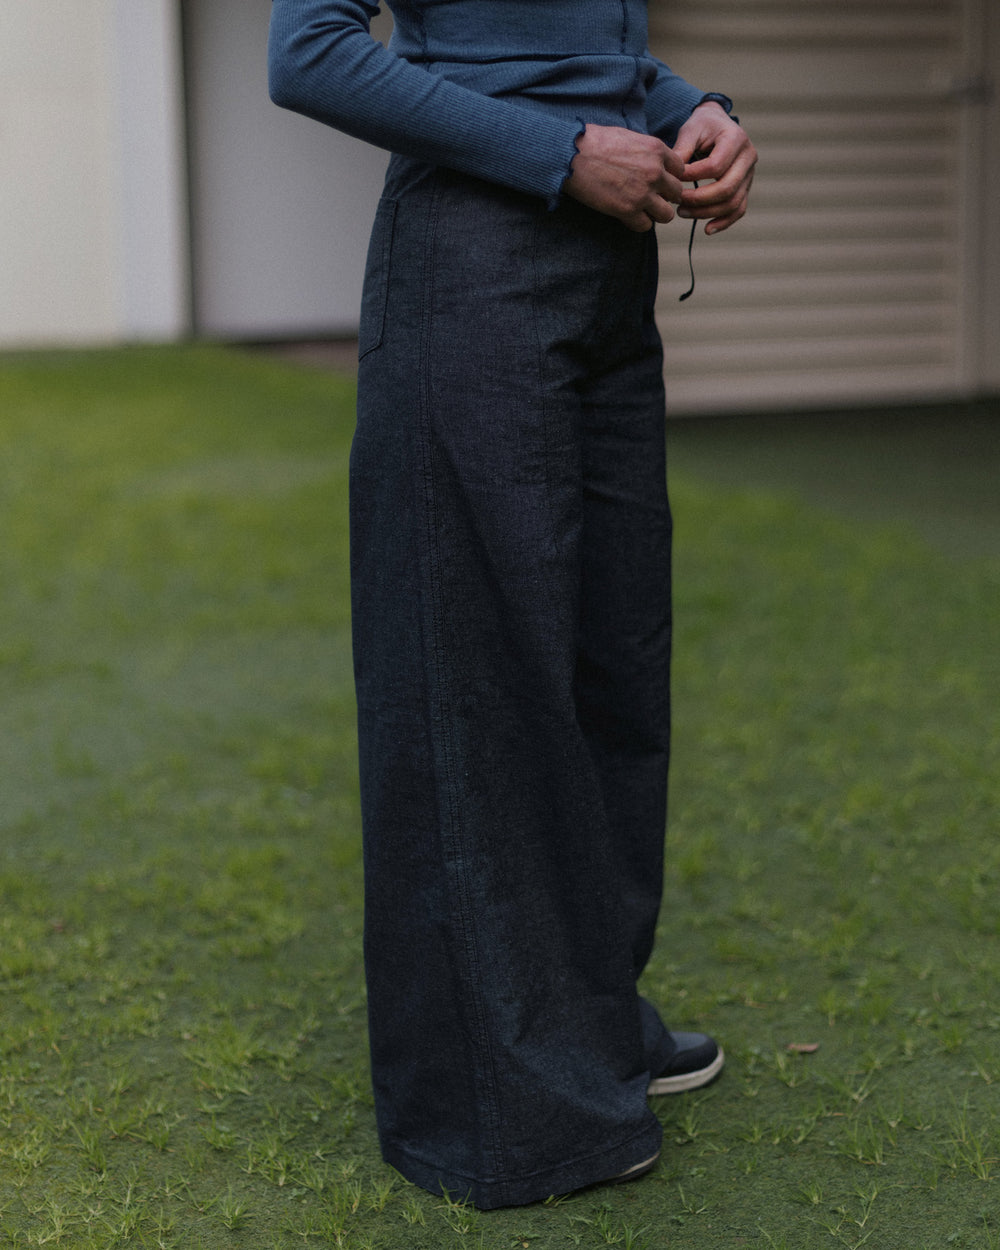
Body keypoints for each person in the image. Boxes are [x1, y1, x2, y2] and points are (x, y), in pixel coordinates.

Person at [268, 0, 756, 1210]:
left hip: (607, 279)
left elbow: (584, 49)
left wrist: (691, 110)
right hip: (475, 261)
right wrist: (560, 151)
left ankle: (589, 1017)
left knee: (611, 663)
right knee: (476, 672)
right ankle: (501, 1101)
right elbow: (308, 53)